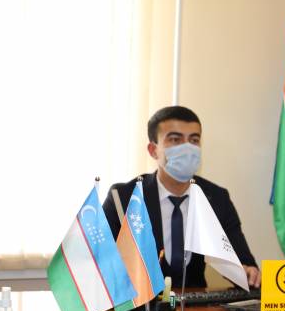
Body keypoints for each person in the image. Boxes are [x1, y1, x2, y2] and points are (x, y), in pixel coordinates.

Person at [104, 106, 261, 289]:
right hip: (141, 303)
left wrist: (247, 272)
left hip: (197, 303)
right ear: (153, 150)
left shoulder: (216, 198)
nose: (187, 148)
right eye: (175, 139)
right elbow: (101, 265)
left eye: (194, 140)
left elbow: (244, 263)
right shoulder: (123, 198)